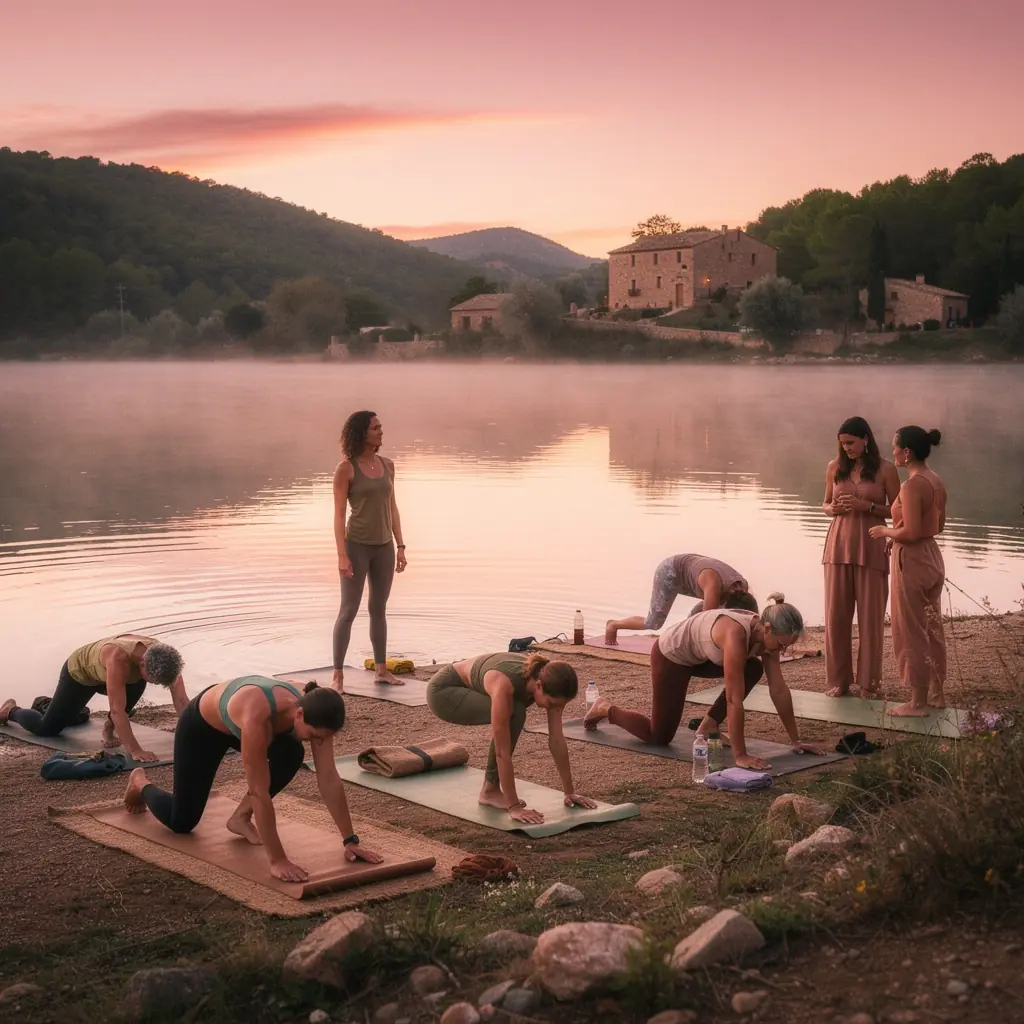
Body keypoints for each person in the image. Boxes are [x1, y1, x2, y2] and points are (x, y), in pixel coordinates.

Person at [122, 677, 381, 881]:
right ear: (299, 715)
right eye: (315, 735)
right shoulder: (258, 716)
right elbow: (259, 791)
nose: (319, 742)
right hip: (202, 727)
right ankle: (140, 782)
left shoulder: (318, 711)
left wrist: (350, 840)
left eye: (323, 737)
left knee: (292, 753)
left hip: (240, 719)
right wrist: (278, 860)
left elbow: (328, 778)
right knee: (182, 821)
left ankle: (239, 818)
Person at [585, 594, 825, 771]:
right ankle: (605, 707)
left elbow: (779, 690)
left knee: (753, 667)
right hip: (672, 656)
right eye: (782, 644)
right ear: (768, 629)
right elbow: (734, 699)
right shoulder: (735, 636)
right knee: (658, 736)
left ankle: (707, 726)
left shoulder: (767, 637)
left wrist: (796, 740)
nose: (784, 650)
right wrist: (740, 755)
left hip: (703, 657)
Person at [426, 652, 597, 825]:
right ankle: (490, 791)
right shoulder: (505, 685)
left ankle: (491, 789)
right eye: (552, 704)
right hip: (444, 692)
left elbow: (557, 739)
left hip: (474, 687)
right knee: (515, 712)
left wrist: (569, 792)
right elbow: (502, 752)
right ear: (538, 686)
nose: (554, 708)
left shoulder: (549, 680)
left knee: (515, 710)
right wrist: (514, 807)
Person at [0, 634, 187, 762]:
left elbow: (181, 701)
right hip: (81, 675)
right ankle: (10, 711)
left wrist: (199, 734)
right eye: (154, 680)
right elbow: (116, 710)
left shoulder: (164, 658)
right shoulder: (118, 659)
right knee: (47, 728)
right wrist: (136, 751)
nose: (156, 684)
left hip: (118, 675)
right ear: (143, 664)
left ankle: (108, 729)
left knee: (133, 686)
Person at [869, 427, 948, 716]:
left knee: (910, 630)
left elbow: (911, 532)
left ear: (907, 452)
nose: (892, 453)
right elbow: (938, 526)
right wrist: (900, 534)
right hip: (932, 556)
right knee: (931, 627)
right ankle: (937, 694)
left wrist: (885, 531)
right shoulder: (935, 480)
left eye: (895, 448)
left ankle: (917, 703)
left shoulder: (911, 486)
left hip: (912, 560)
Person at [821, 416, 901, 698]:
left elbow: (898, 511)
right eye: (843, 444)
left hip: (872, 547)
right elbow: (825, 503)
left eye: (851, 443)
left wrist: (864, 506)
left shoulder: (886, 470)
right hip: (838, 548)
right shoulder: (834, 467)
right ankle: (839, 682)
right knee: (836, 618)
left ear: (866, 439)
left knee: (871, 620)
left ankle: (869, 684)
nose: (847, 449)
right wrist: (835, 510)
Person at [332, 410, 407, 693]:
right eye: (376, 428)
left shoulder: (388, 465)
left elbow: (393, 507)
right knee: (348, 610)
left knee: (379, 607)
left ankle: (381, 670)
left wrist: (400, 545)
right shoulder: (346, 469)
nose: (381, 432)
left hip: (384, 547)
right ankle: (338, 676)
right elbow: (339, 515)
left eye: (380, 427)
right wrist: (342, 554)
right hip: (357, 546)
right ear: (362, 433)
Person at [605, 554, 750, 645]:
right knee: (654, 623)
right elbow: (706, 623)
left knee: (706, 614)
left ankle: (683, 637)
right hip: (670, 572)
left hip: (693, 576)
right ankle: (613, 625)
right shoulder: (713, 585)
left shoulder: (743, 588)